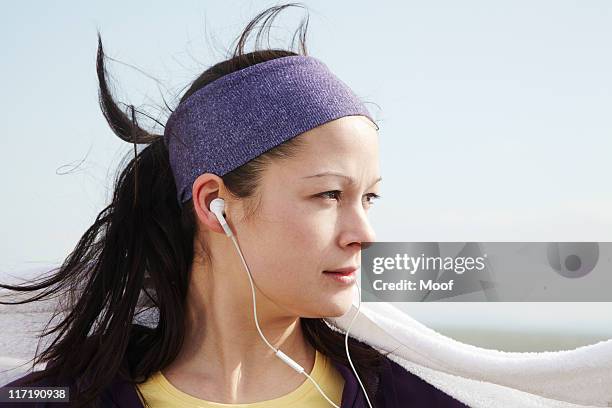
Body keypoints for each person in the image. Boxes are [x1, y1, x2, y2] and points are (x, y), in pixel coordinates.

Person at [0, 4, 467, 407]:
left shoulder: (414, 399)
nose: (365, 235)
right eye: (329, 194)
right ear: (213, 204)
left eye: (369, 198)